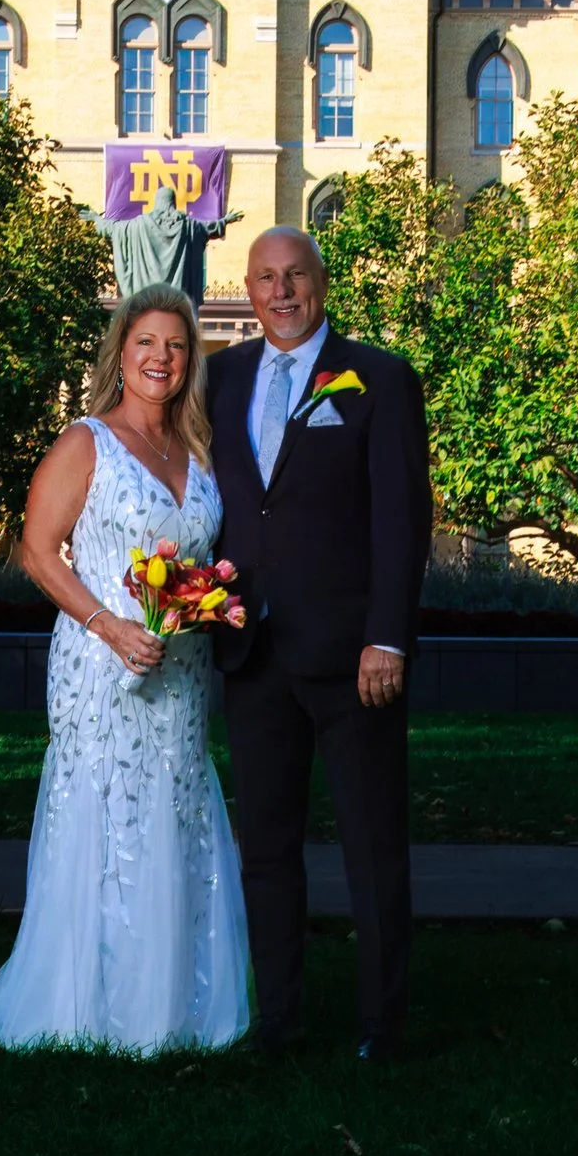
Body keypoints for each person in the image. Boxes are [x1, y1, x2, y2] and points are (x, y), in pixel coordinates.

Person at [0, 288, 251, 1054]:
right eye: (146, 343)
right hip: (100, 670)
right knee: (106, 813)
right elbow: (36, 550)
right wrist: (108, 624)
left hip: (181, 671)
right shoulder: (85, 442)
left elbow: (195, 562)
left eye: (176, 345)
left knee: (174, 809)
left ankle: (175, 1007)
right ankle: (82, 1010)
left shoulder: (199, 453)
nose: (160, 357)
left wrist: (200, 604)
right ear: (120, 354)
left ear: (190, 359)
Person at [207, 228, 431, 1060]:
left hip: (353, 659)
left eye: (294, 274)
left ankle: (383, 1026)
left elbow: (402, 521)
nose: (280, 291)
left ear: (321, 282)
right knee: (265, 851)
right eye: (264, 277)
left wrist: (388, 638)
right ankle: (279, 1020)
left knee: (373, 849)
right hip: (251, 651)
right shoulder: (221, 377)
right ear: (250, 286)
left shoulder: (379, 377)